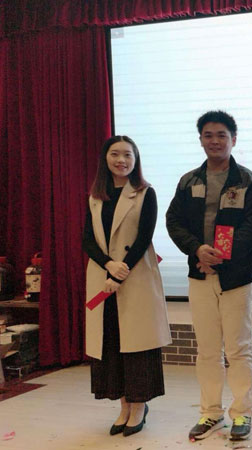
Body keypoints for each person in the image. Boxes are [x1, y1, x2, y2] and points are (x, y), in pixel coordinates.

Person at [166, 110, 252, 442]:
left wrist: (219, 259)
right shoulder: (189, 181)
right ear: (200, 140)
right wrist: (197, 250)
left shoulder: (248, 181)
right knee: (207, 350)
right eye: (208, 135)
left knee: (238, 349)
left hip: (236, 278)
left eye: (221, 135)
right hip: (199, 275)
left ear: (233, 139)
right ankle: (210, 412)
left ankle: (242, 413)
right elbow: (174, 222)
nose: (215, 141)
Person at [83, 135, 172, 437]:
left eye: (128, 155)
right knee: (111, 342)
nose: (121, 160)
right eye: (115, 154)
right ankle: (123, 405)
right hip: (103, 278)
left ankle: (139, 405)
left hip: (135, 278)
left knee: (137, 345)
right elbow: (87, 240)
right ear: (105, 158)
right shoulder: (96, 196)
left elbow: (144, 236)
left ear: (136, 160)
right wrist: (109, 265)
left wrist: (120, 272)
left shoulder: (145, 193)